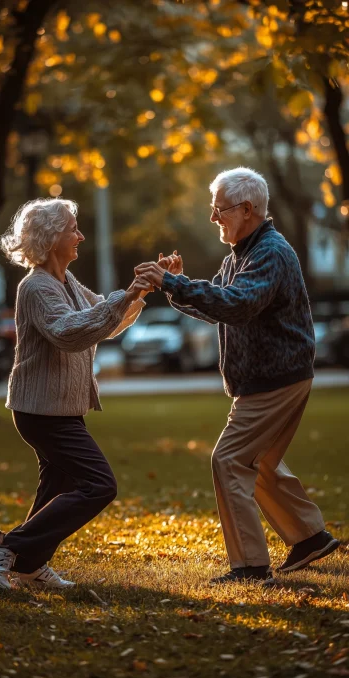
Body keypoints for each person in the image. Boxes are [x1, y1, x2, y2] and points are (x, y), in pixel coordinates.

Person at [135, 167, 340, 584]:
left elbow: (236, 304)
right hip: (274, 377)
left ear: (247, 210)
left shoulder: (269, 252)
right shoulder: (242, 253)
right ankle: (309, 538)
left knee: (228, 460)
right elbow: (218, 305)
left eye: (219, 210)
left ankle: (249, 565)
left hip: (276, 378)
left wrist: (174, 282)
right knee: (258, 462)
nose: (213, 218)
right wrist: (174, 285)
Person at [0, 197, 153, 590]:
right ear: (52, 236)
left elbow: (105, 321)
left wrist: (140, 291)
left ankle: (28, 565)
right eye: (73, 228)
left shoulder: (65, 282)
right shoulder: (36, 287)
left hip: (61, 409)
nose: (81, 236)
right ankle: (4, 545)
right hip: (41, 411)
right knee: (99, 485)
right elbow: (69, 332)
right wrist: (125, 295)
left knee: (55, 487)